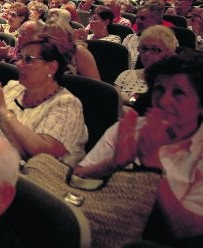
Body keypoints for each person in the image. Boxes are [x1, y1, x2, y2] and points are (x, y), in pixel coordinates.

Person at [75, 52, 203, 243]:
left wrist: (152, 164)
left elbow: (185, 230)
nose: (164, 101)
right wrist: (112, 163)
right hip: (99, 221)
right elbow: (77, 176)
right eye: (159, 89)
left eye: (178, 92)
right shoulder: (130, 128)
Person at [0, 33, 88, 167]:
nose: (19, 64)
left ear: (51, 67)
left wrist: (2, 111)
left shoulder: (67, 104)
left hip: (30, 183)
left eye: (28, 59)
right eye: (20, 57)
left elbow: (43, 158)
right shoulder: (13, 87)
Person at [114, 25, 178, 109]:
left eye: (154, 49)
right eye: (144, 48)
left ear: (169, 53)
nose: (147, 54)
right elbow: (113, 103)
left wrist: (130, 100)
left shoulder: (174, 82)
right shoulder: (126, 74)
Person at [123, 1, 166, 69]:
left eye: (142, 18)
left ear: (157, 20)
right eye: (137, 18)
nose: (137, 21)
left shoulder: (166, 43)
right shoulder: (129, 38)